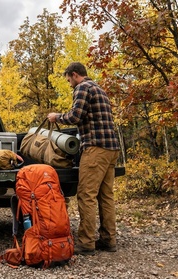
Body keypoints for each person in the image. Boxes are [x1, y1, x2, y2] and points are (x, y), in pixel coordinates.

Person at [47, 62, 120, 256]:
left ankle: (86, 242)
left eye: (69, 79)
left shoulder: (82, 87)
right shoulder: (100, 89)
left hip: (95, 149)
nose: (70, 83)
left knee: (86, 194)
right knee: (106, 196)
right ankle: (108, 239)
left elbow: (75, 116)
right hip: (112, 149)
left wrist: (56, 117)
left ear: (74, 74)